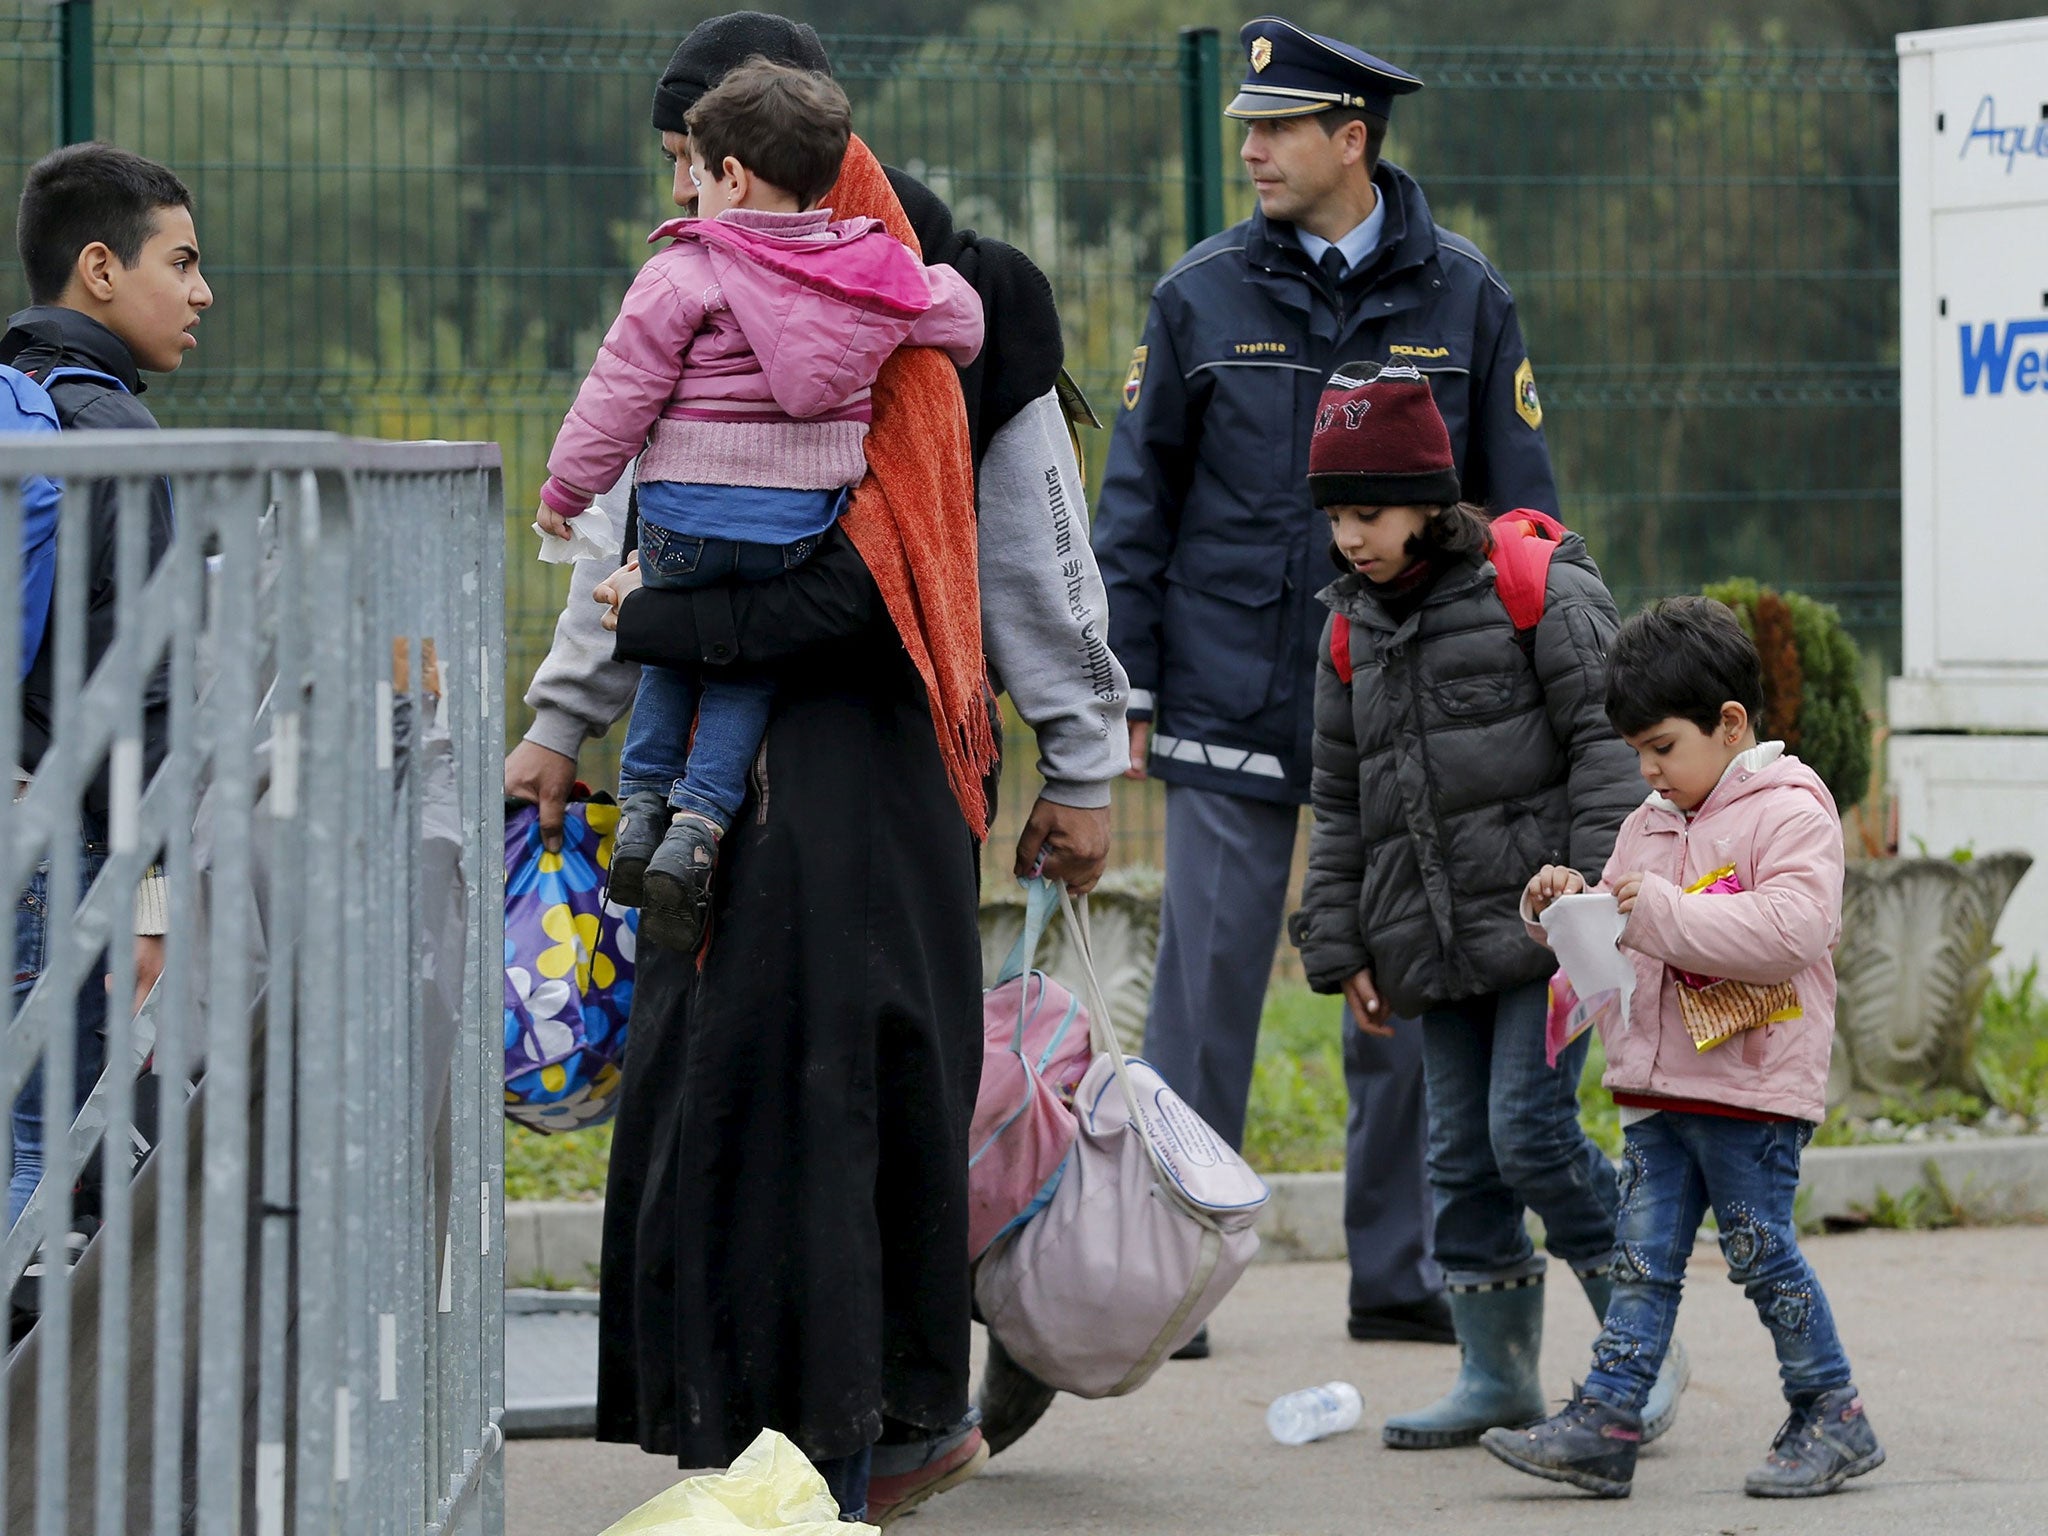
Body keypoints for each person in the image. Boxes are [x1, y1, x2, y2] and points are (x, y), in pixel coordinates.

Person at [508, 14, 1125, 1524]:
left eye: (691, 160)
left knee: (844, 1104)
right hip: (749, 766)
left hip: (864, 757)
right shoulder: (731, 271)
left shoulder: (946, 302)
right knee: (765, 1103)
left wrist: (1088, 753)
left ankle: (852, 1447)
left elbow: (1022, 548)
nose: (686, 190)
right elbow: (641, 513)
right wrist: (563, 715)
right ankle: (826, 1441)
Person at [1093, 15, 1559, 1355]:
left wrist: (1527, 683)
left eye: (1278, 129)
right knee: (1207, 995)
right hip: (1231, 695)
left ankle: (1400, 1271)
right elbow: (1136, 509)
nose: (1251, 150)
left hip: (1417, 702)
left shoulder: (1463, 296)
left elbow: (1523, 514)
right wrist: (1125, 693)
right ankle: (1176, 1280)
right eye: (1247, 127)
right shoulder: (1198, 296)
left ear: (1352, 140)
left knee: (1406, 984)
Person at [1288, 361, 1685, 1448]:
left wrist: (1593, 902)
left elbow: (1611, 753)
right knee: (1456, 1157)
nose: (1349, 538)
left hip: (1551, 931)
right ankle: (1496, 1376)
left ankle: (1638, 1351)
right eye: (1334, 517)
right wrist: (1341, 943)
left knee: (1528, 1130)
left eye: (1367, 512)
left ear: (1427, 497)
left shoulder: (1534, 588)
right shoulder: (1345, 628)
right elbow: (1339, 796)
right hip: (1428, 934)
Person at [534, 58, 982, 952]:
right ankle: (699, 830)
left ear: (730, 175)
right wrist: (930, 290)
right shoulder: (867, 264)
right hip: (792, 531)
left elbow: (616, 395)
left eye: (693, 169)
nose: (687, 188)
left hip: (682, 520)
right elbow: (960, 322)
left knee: (671, 648)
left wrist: (566, 490)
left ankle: (644, 810)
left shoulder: (682, 273)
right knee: (744, 667)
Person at [1485, 597, 1883, 1500]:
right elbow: (1621, 935)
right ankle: (1611, 1417)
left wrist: (1654, 911)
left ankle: (1833, 1412)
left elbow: (1794, 928)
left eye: (1662, 746)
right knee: (1643, 1257)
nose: (1649, 771)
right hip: (1659, 1087)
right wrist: (1562, 908)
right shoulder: (1649, 823)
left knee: (1758, 1251)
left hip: (1751, 1091)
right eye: (1637, 753)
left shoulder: (1791, 810)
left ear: (1730, 723)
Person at [3, 144, 207, 1253]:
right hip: (59, 838)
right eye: (179, 261)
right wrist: (154, 895)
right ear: (97, 267)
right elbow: (148, 680)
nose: (200, 292)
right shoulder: (111, 433)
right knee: (42, 1154)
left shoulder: (17, 406)